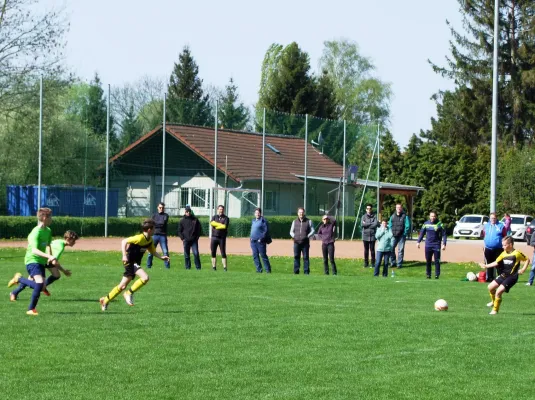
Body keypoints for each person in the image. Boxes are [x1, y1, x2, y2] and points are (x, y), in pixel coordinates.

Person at [99, 219, 169, 311]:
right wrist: (124, 255)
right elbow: (124, 241)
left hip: (134, 263)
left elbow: (153, 251)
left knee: (122, 286)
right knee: (145, 277)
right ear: (149, 230)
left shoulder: (149, 240)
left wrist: (161, 257)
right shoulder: (139, 238)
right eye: (154, 228)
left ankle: (105, 300)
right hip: (129, 261)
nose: (154, 230)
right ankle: (128, 293)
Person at [7, 207, 56, 316]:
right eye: (50, 217)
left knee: (42, 287)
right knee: (38, 283)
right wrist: (48, 256)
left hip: (41, 261)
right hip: (32, 260)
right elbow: (34, 250)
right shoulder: (35, 232)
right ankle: (31, 309)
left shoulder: (48, 231)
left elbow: (48, 245)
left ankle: (19, 279)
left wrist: (50, 257)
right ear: (44, 217)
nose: (51, 219)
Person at [10, 230, 79, 301]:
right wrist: (64, 271)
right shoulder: (60, 246)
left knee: (56, 275)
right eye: (73, 240)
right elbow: (54, 262)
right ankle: (15, 289)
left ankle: (43, 286)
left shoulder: (59, 241)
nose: (74, 242)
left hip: (46, 260)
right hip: (40, 260)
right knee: (32, 280)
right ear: (68, 239)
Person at [479, 235, 530, 315]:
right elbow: (496, 262)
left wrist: (523, 269)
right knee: (490, 287)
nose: (503, 247)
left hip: (512, 277)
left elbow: (527, 259)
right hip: (504, 275)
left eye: (504, 245)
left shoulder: (517, 253)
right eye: (502, 245)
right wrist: (486, 266)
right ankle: (493, 301)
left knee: (498, 292)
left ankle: (495, 310)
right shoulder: (503, 253)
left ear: (510, 245)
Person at [417, 211, 447, 279]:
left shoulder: (440, 224)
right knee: (428, 260)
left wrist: (444, 244)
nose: (433, 217)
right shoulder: (426, 224)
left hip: (436, 245)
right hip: (428, 245)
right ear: (429, 216)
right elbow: (422, 233)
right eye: (431, 216)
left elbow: (444, 234)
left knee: (437, 260)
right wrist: (418, 242)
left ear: (436, 216)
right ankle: (428, 274)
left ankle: (437, 275)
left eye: (434, 216)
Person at [482, 212, 510, 282]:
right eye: (492, 218)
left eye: (494, 218)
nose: (493, 219)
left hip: (498, 249)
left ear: (496, 218)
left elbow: (504, 236)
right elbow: (484, 235)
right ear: (490, 218)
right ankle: (489, 278)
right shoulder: (486, 226)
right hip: (488, 248)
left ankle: (501, 278)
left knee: (499, 264)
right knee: (489, 263)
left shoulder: (501, 226)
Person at [290, 207, 315, 275]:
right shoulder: (294, 221)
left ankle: (306, 272)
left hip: (305, 243)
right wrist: (294, 236)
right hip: (296, 243)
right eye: (299, 212)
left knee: (306, 258)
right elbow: (291, 231)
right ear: (298, 213)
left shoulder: (309, 221)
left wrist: (308, 236)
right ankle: (296, 271)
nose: (301, 213)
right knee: (296, 257)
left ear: (304, 213)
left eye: (302, 212)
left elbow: (313, 230)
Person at [178, 205, 202, 270]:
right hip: (186, 240)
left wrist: (197, 237)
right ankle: (188, 267)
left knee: (196, 254)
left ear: (190, 212)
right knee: (186, 255)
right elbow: (179, 231)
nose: (188, 212)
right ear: (185, 212)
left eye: (189, 211)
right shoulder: (182, 221)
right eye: (187, 211)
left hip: (194, 240)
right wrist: (182, 238)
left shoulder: (195, 220)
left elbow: (199, 229)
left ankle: (198, 268)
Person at [147, 202, 170, 269]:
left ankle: (167, 267)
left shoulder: (166, 215)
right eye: (160, 207)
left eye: (162, 208)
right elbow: (151, 224)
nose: (161, 209)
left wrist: (155, 224)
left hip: (163, 236)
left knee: (165, 252)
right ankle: (148, 266)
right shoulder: (154, 215)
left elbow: (162, 223)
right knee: (150, 252)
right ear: (157, 208)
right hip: (154, 235)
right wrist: (155, 224)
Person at [388, 203, 411, 269]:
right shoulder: (392, 216)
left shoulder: (405, 216)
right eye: (397, 207)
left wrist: (404, 233)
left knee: (400, 250)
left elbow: (407, 226)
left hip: (401, 236)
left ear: (401, 208)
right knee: (391, 248)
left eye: (400, 207)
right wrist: (391, 232)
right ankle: (393, 262)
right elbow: (390, 225)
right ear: (396, 208)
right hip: (394, 235)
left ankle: (399, 264)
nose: (398, 208)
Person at [250, 208, 272, 273]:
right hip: (253, 241)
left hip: (260, 242)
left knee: (263, 255)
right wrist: (251, 237)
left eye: (258, 213)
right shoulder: (253, 220)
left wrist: (261, 238)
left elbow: (266, 231)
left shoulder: (263, 221)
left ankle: (268, 270)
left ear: (260, 213)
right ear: (254, 214)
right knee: (255, 255)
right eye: (256, 213)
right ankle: (259, 270)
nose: (257, 214)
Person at [210, 205, 229, 271]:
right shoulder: (214, 217)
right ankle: (214, 267)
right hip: (214, 237)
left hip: (222, 238)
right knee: (213, 252)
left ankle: (225, 268)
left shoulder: (226, 218)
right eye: (220, 209)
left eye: (222, 209)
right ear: (217, 209)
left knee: (223, 252)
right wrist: (220, 225)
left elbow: (224, 227)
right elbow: (212, 223)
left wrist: (216, 225)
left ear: (223, 210)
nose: (221, 210)